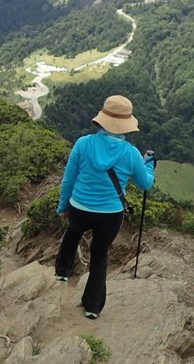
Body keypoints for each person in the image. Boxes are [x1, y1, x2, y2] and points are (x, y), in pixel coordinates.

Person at [54, 94, 156, 319]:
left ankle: (62, 271)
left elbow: (68, 179)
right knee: (100, 255)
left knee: (73, 231)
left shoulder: (83, 143)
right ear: (126, 125)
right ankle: (92, 306)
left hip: (79, 206)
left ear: (102, 119)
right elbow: (146, 183)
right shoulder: (130, 153)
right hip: (110, 214)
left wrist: (63, 205)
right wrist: (149, 166)